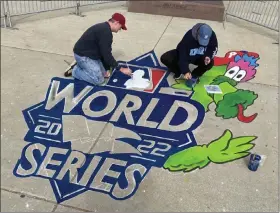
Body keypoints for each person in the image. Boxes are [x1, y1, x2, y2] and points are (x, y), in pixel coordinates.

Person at [64, 13, 132, 85]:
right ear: (117, 23)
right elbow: (106, 54)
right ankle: (76, 71)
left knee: (104, 74)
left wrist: (106, 69)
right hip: (83, 55)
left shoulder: (104, 28)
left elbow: (104, 51)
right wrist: (121, 69)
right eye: (120, 27)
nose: (119, 30)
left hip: (91, 54)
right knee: (99, 80)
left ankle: (82, 66)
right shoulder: (106, 32)